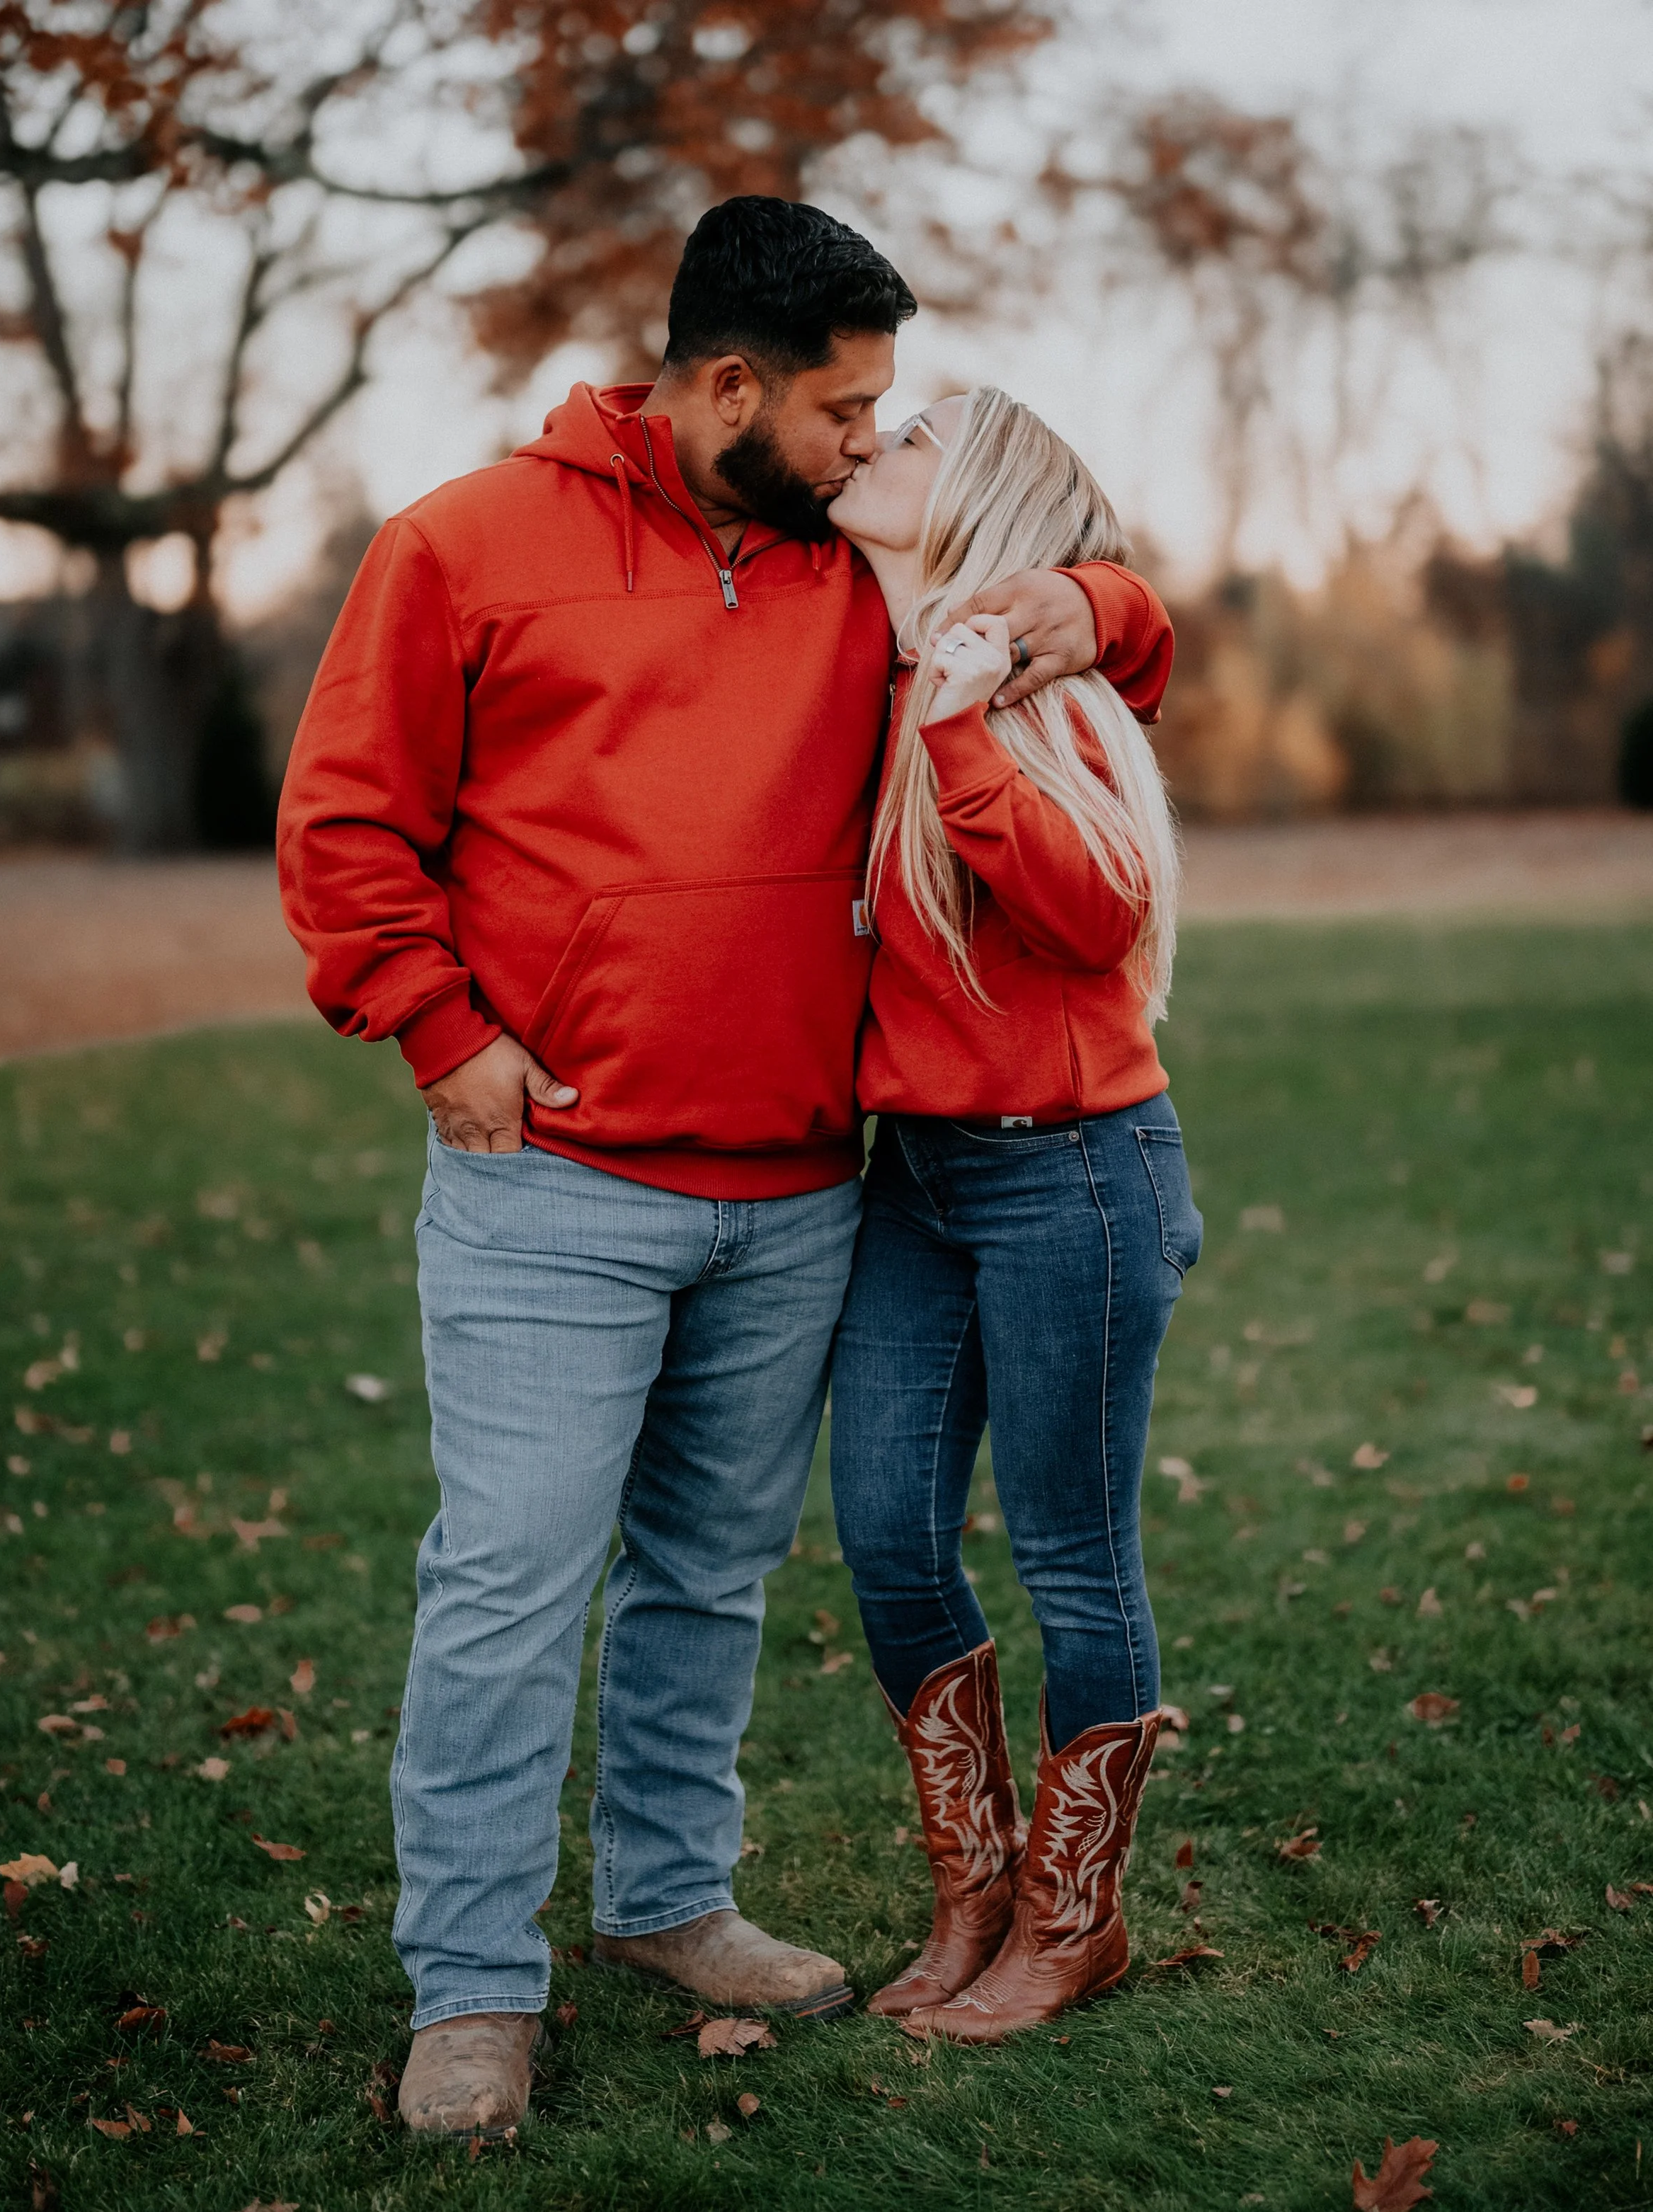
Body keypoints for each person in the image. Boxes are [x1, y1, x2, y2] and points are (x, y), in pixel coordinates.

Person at [278, 197, 1165, 2138]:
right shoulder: (464, 544)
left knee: (707, 1575)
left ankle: (671, 1898)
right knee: (510, 1580)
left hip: (796, 1190)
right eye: (844, 407)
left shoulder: (862, 572)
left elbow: (1113, 601)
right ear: (730, 385)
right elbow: (344, 825)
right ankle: (472, 1987)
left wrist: (1073, 610)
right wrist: (445, 1037)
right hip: (554, 1182)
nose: (869, 441)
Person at [824, 386, 1199, 2044]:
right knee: (889, 1534)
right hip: (914, 1173)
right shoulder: (867, 638)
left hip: (1072, 1174)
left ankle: (1074, 1917)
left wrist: (966, 723)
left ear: (966, 493)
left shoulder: (1033, 696)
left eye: (903, 437)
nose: (864, 448)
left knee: (1070, 1557)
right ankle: (970, 1882)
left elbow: (1098, 902)